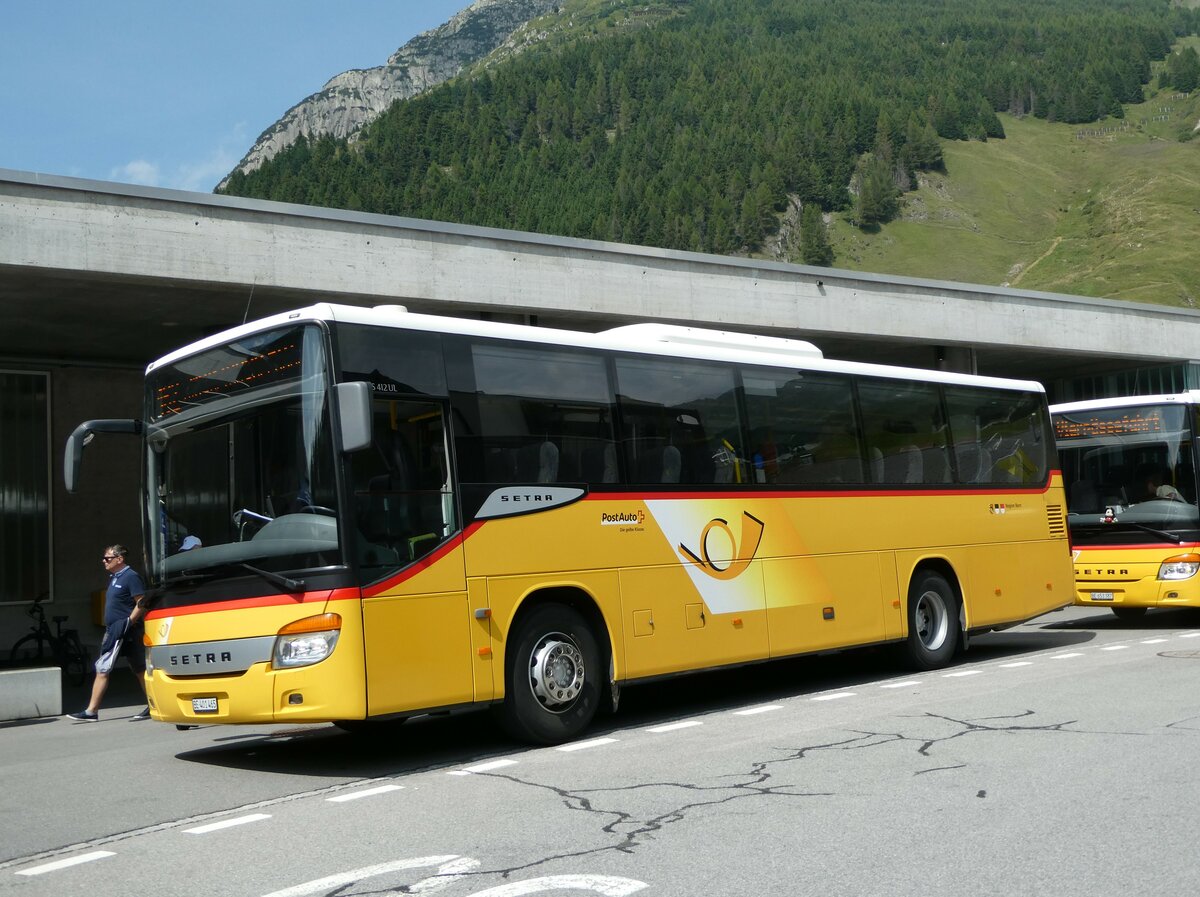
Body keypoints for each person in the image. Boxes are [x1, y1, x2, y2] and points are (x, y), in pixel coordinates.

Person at [66, 545, 150, 722]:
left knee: (106, 668)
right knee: (138, 669)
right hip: (115, 630)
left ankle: (91, 711)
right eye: (104, 558)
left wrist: (128, 622)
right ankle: (153, 704)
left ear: (120, 559)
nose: (104, 561)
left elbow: (141, 602)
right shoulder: (114, 577)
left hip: (124, 631)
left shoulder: (131, 576)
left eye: (108, 558)